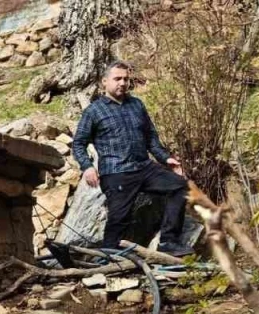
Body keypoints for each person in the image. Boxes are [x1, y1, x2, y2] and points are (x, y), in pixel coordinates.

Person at [72, 60, 191, 257]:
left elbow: (151, 138)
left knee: (180, 186)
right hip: (116, 172)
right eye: (117, 78)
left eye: (126, 79)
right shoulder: (94, 111)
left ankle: (168, 242)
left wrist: (166, 159)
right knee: (119, 219)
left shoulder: (137, 105)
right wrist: (87, 167)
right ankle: (108, 258)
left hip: (144, 168)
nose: (122, 83)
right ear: (104, 81)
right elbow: (78, 144)